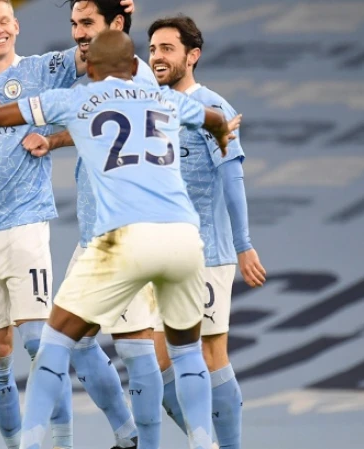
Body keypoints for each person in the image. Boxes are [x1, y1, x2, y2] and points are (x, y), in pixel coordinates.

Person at [0, 29, 236, 449]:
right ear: (136, 66)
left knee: (54, 342)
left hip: (123, 238)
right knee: (187, 354)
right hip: (183, 237)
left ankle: (34, 443)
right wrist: (223, 135)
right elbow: (213, 118)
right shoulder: (166, 99)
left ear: (89, 70)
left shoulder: (76, 100)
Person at [0, 1, 125, 445]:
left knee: (38, 343)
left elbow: (97, 48)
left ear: (17, 25)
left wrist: (121, 18)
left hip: (25, 226)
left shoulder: (44, 69)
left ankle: (62, 441)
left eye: (4, 22)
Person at [21, 1, 162, 446]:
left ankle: (153, 440)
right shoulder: (115, 78)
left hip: (124, 237)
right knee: (77, 342)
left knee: (134, 347)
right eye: (74, 24)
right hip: (95, 236)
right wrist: (56, 140)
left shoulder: (131, 79)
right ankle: (128, 434)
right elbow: (101, 126)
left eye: (87, 23)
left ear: (116, 24)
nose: (78, 33)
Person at [148, 15, 266, 449]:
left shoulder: (214, 108)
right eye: (152, 49)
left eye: (167, 48)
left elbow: (232, 178)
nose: (157, 57)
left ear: (192, 56)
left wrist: (244, 245)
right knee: (155, 367)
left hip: (205, 253)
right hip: (157, 254)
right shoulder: (150, 106)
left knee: (212, 355)